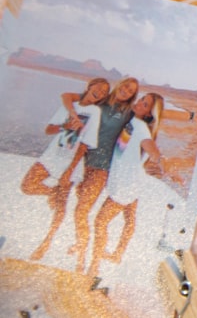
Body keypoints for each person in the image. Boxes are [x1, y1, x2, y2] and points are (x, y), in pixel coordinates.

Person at [20, 78, 110, 261]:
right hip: (51, 156)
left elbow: (84, 144)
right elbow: (49, 130)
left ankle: (46, 243)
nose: (100, 92)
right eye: (98, 87)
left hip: (70, 162)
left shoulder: (94, 112)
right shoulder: (70, 105)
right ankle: (52, 192)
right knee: (27, 186)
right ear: (89, 86)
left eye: (104, 92)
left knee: (60, 208)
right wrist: (65, 126)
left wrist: (69, 170)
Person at [64, 76, 139, 272]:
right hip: (83, 162)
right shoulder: (100, 101)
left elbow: (149, 120)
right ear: (119, 84)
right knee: (80, 210)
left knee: (81, 211)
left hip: (102, 167)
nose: (126, 91)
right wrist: (72, 113)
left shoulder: (128, 113)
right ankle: (81, 245)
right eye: (126, 86)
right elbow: (67, 96)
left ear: (132, 96)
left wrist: (192, 116)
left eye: (131, 91)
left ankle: (84, 259)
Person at [87, 92, 164, 277]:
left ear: (148, 114)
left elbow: (153, 150)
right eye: (141, 100)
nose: (139, 103)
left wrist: (157, 162)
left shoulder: (141, 128)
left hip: (125, 184)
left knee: (100, 221)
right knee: (129, 219)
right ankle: (118, 254)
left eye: (144, 104)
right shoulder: (133, 122)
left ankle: (94, 266)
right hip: (132, 180)